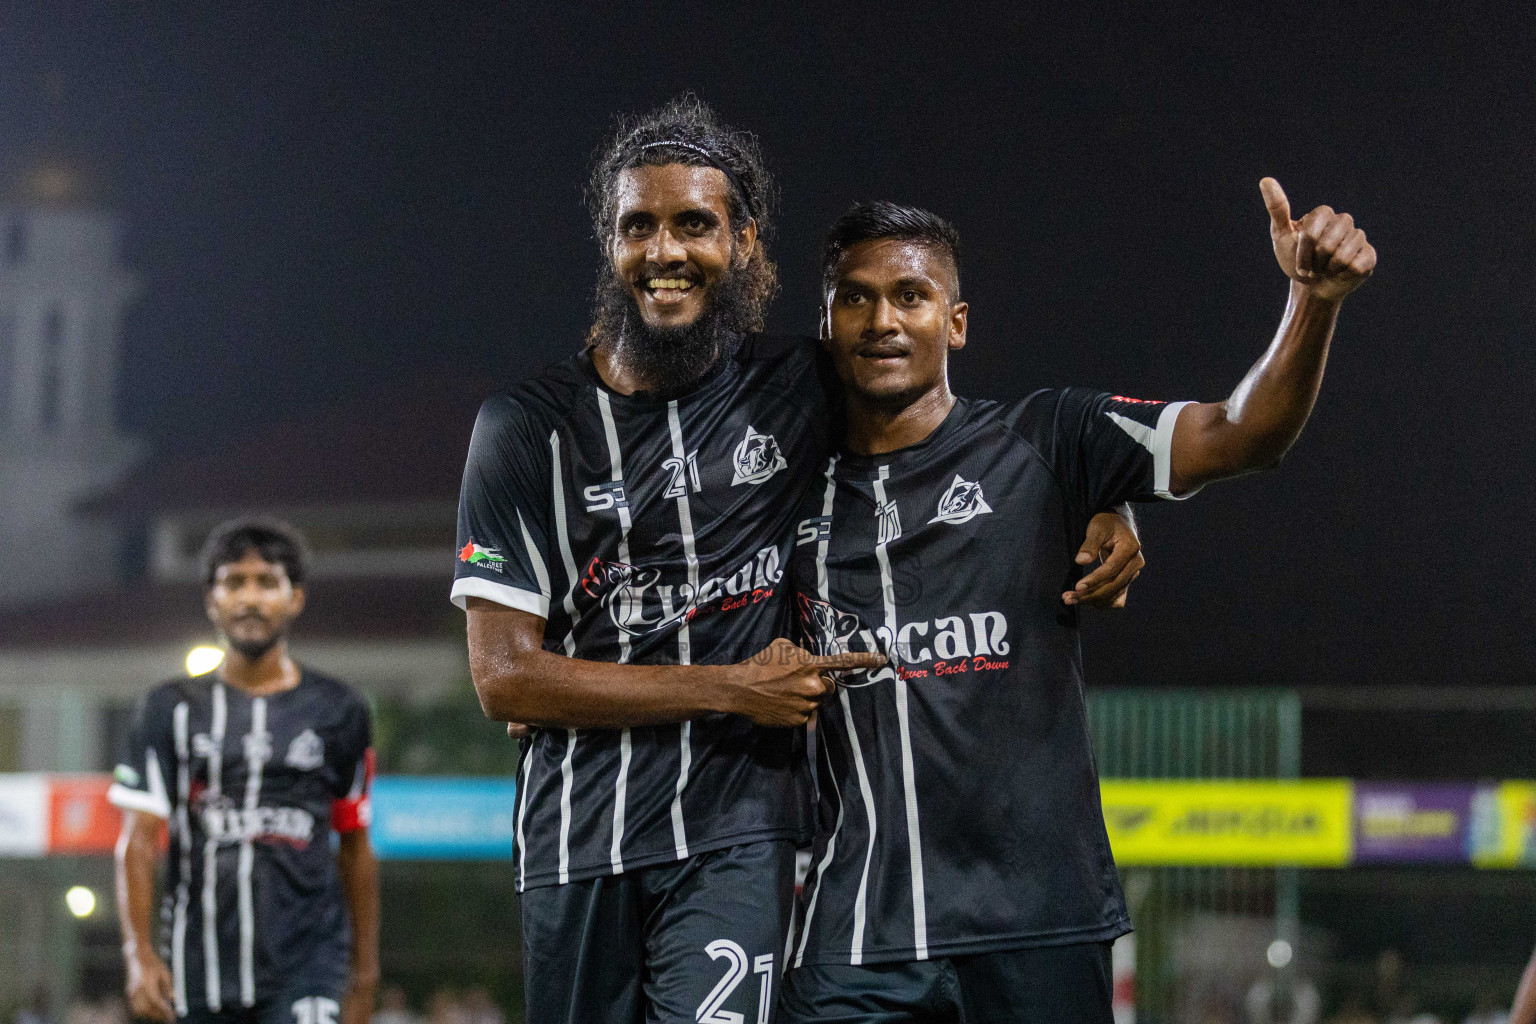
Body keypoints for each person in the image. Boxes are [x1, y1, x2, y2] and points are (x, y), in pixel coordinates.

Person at [452, 96, 1144, 1024]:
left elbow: (964, 430)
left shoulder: (798, 383)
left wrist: (1105, 497)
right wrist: (733, 687)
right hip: (577, 839)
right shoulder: (523, 429)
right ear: (609, 246)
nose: (665, 252)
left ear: (743, 244)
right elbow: (503, 679)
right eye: (638, 227)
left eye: (694, 224)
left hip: (736, 834)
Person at [778, 194, 1375, 1022]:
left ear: (955, 323)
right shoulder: (776, 495)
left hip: (1041, 927)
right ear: (826, 321)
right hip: (855, 940)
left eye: (910, 296)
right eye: (856, 297)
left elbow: (1243, 434)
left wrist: (1311, 303)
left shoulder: (1048, 441)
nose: (883, 318)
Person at [110, 520, 380, 1024]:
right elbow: (138, 841)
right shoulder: (167, 708)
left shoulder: (340, 708)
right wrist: (137, 954)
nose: (250, 599)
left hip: (310, 966)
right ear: (212, 599)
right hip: (198, 965)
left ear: (295, 597)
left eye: (267, 582)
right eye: (234, 582)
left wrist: (365, 976)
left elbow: (356, 847)